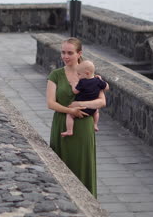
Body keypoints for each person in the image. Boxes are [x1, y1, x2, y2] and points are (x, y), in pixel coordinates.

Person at [46, 37, 107, 198]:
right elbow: (51, 103)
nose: (65, 56)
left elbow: (102, 102)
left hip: (84, 126)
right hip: (62, 124)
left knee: (83, 165)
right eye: (63, 52)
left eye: (70, 53)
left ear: (79, 53)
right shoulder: (56, 75)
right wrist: (71, 111)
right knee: (61, 166)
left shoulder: (92, 76)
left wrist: (79, 104)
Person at [61, 60, 109, 137]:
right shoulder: (98, 81)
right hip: (92, 108)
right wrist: (101, 80)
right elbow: (106, 87)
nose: (78, 76)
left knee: (70, 115)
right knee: (97, 111)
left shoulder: (82, 82)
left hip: (81, 108)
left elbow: (75, 91)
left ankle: (69, 130)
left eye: (79, 74)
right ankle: (95, 124)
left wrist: (73, 84)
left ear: (87, 73)